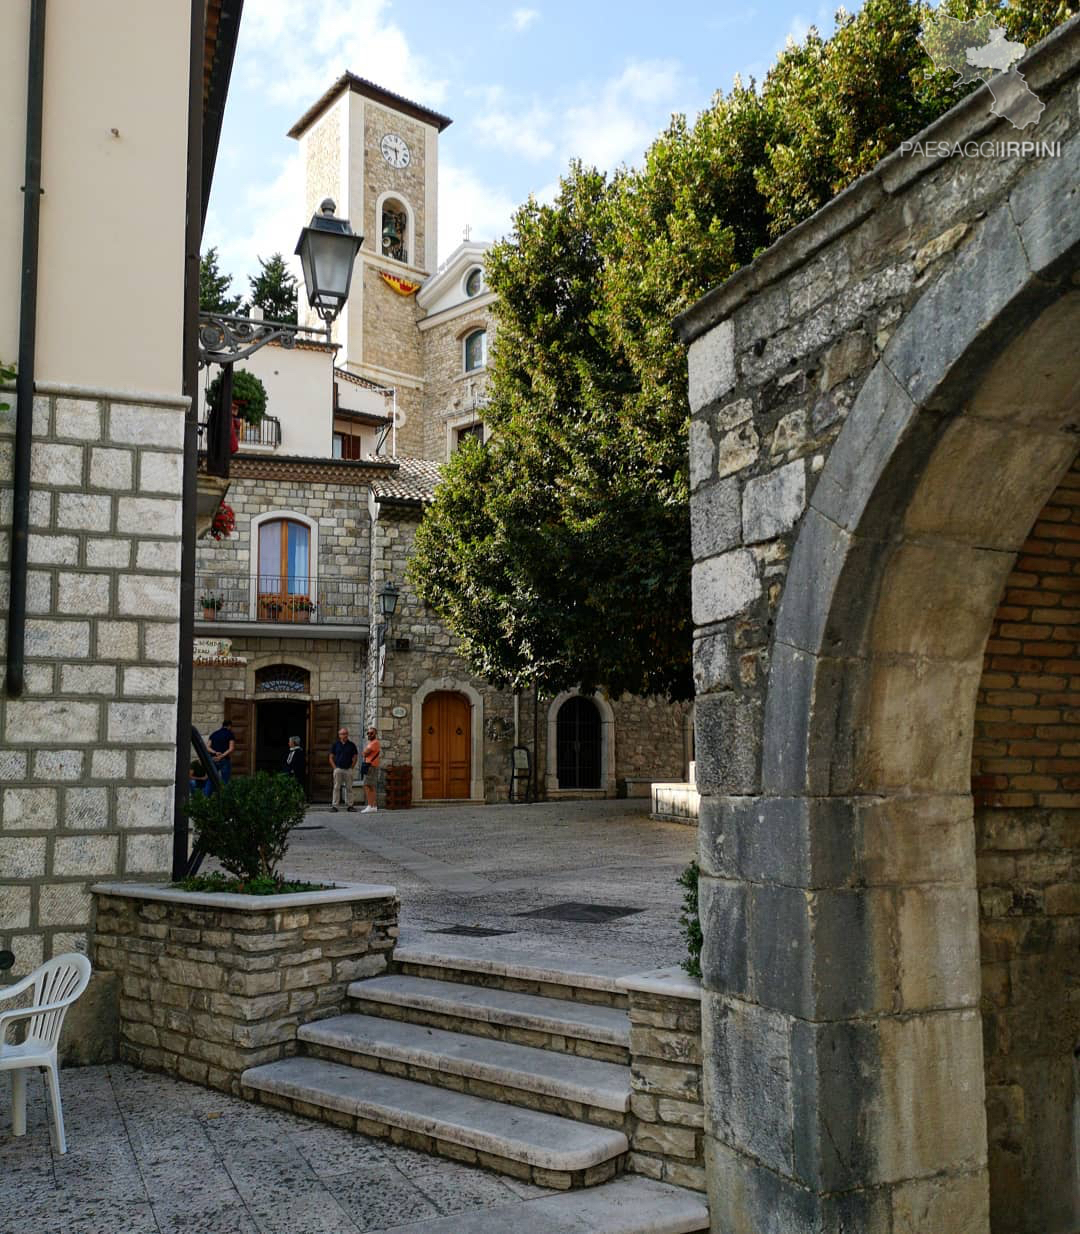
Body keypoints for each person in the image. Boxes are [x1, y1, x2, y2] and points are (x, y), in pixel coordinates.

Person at [329, 727, 359, 812]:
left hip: (348, 769)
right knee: (336, 787)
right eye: (342, 734)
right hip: (338, 769)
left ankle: (350, 806)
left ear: (347, 734)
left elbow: (355, 757)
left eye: (345, 733)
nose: (344, 735)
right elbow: (331, 757)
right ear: (339, 735)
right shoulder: (335, 745)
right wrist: (335, 768)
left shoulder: (351, 745)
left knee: (349, 788)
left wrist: (351, 767)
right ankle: (335, 806)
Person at [207, 718, 236, 784]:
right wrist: (222, 756)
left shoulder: (214, 734)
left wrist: (215, 752)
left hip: (213, 759)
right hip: (224, 760)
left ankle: (205, 794)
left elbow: (207, 747)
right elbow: (231, 748)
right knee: (225, 781)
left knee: (211, 780)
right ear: (229, 726)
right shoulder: (230, 734)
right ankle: (223, 794)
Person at [361, 726, 381, 813]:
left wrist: (365, 751)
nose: (369, 734)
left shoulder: (374, 743)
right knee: (370, 786)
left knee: (368, 785)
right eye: (368, 733)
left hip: (371, 766)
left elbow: (364, 753)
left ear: (375, 734)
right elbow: (365, 753)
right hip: (370, 766)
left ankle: (370, 805)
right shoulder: (371, 743)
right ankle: (373, 806)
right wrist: (365, 752)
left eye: (371, 733)